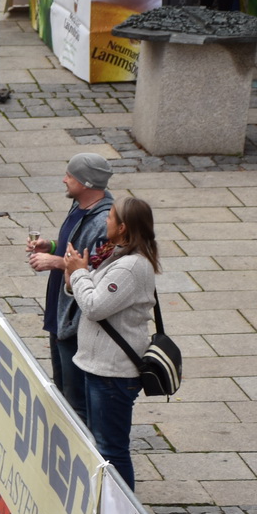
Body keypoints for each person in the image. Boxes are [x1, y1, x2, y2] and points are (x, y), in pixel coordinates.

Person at [65, 196, 161, 491]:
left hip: (113, 374)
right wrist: (76, 274)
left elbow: (94, 306)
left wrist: (78, 272)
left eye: (111, 218)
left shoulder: (130, 267)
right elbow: (87, 291)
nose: (105, 220)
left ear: (122, 227)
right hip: (98, 366)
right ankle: (104, 503)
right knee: (100, 444)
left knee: (112, 449)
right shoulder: (116, 254)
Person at [26, 153, 115, 423]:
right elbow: (74, 251)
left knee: (76, 402)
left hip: (76, 324)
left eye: (70, 176)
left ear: (86, 183)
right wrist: (51, 246)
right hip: (60, 316)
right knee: (63, 392)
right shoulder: (81, 207)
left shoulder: (102, 224)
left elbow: (99, 275)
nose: (64, 179)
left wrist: (55, 262)